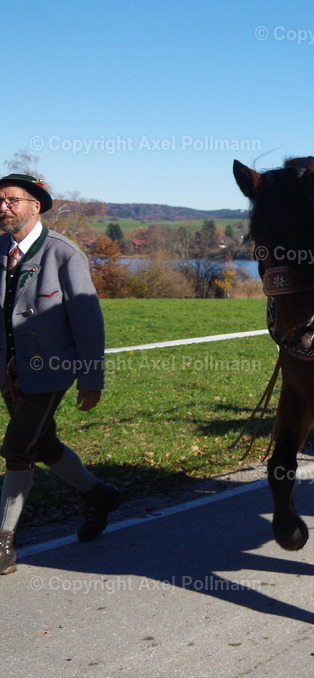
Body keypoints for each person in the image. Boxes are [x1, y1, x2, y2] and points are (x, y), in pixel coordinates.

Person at [0, 173, 122, 576]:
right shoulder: (1, 249)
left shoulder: (63, 253)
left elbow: (88, 323)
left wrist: (92, 378)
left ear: (35, 205)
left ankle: (4, 541)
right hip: (9, 370)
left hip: (51, 369)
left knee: (18, 446)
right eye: (0, 201)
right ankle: (98, 494)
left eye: (12, 200)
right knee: (42, 442)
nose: (3, 207)